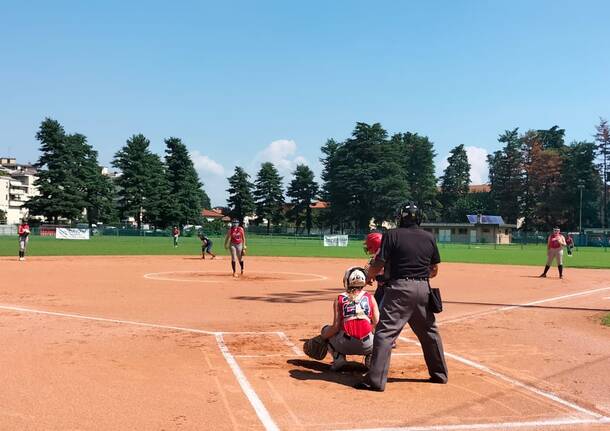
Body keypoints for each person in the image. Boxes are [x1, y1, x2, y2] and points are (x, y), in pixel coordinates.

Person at [355, 203, 448, 392]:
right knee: (429, 332)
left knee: (385, 333)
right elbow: (434, 269)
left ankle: (375, 381)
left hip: (399, 289)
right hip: (423, 289)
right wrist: (419, 280)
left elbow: (380, 261)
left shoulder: (392, 235)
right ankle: (440, 374)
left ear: (401, 218)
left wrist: (369, 276)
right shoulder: (429, 237)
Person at [321, 267, 380, 371]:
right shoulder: (370, 297)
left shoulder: (339, 298)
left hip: (344, 344)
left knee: (326, 330)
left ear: (347, 280)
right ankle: (371, 358)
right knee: (379, 335)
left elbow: (335, 327)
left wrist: (322, 337)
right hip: (367, 345)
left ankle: (338, 358)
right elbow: (377, 323)